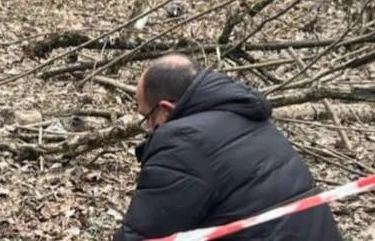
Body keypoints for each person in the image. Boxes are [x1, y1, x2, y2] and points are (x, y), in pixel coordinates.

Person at [113, 54, 342, 240]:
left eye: (147, 117)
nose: (149, 128)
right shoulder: (247, 118)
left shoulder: (182, 141)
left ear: (165, 109)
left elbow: (143, 234)